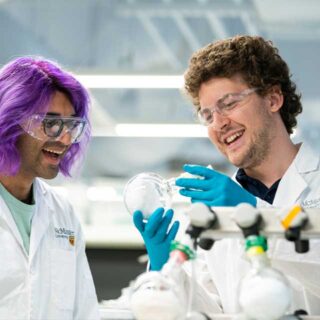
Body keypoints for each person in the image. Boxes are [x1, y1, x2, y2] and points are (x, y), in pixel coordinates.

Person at [133, 35, 320, 315]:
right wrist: (165, 270)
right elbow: (210, 310)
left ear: (273, 98)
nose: (219, 123)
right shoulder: (208, 212)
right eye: (207, 115)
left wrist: (255, 215)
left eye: (229, 103)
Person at [0, 57, 100, 319]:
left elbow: (84, 312)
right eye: (51, 123)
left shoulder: (63, 214)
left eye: (71, 126)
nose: (65, 139)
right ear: (10, 122)